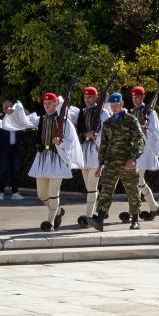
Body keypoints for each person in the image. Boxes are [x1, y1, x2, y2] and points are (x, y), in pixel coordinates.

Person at [88, 92, 144, 231]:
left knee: (132, 191)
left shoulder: (131, 120)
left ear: (122, 104)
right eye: (112, 106)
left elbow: (139, 140)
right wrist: (100, 164)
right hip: (111, 162)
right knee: (106, 190)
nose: (113, 108)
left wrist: (133, 158)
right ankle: (100, 219)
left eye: (116, 105)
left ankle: (135, 219)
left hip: (127, 162)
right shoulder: (107, 123)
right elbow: (104, 145)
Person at [28, 92, 82, 231]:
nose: (47, 106)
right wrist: (13, 112)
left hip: (57, 158)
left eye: (50, 103)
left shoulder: (64, 122)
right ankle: (58, 212)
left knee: (53, 193)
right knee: (42, 194)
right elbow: (24, 120)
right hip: (42, 158)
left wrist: (60, 143)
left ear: (56, 104)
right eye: (45, 103)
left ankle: (50, 222)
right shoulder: (41, 119)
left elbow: (71, 141)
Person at [128, 85, 159, 223]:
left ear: (143, 97)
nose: (135, 99)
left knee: (135, 181)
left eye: (138, 97)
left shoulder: (150, 113)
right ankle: (154, 208)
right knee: (139, 182)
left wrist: (146, 131)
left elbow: (156, 134)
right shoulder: (131, 112)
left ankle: (134, 212)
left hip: (143, 152)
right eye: (133, 97)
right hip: (132, 152)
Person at [74, 86, 106, 226]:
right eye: (85, 97)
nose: (87, 100)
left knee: (92, 188)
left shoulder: (103, 113)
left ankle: (88, 217)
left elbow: (107, 132)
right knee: (89, 187)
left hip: (96, 150)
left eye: (90, 97)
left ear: (96, 97)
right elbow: (79, 131)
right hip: (84, 150)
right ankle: (102, 208)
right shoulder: (82, 112)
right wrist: (86, 135)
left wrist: (96, 137)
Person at [0, 99, 26, 200]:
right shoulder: (0, 118)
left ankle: (15, 192)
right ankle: (0, 192)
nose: (9, 109)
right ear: (4, 109)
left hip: (15, 149)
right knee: (2, 170)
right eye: (6, 108)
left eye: (10, 107)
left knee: (15, 170)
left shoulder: (16, 118)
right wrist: (1, 145)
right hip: (4, 149)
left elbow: (21, 130)